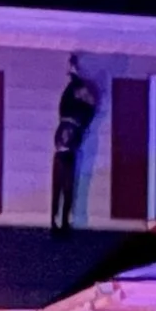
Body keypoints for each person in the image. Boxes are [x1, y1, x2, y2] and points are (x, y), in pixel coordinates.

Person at [50, 56, 100, 233]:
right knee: (60, 185)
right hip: (65, 148)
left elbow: (90, 105)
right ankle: (56, 219)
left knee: (67, 186)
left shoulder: (84, 109)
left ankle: (64, 219)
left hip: (70, 149)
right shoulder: (69, 105)